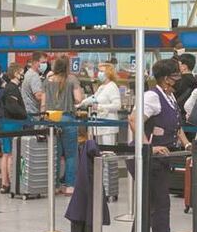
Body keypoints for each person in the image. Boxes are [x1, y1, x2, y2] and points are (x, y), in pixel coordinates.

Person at [126, 58, 191, 232]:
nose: (179, 79)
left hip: (160, 160)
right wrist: (148, 147)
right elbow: (134, 120)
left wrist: (187, 143)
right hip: (148, 160)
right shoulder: (152, 96)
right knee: (160, 206)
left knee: (148, 205)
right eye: (176, 76)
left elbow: (177, 126)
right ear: (165, 78)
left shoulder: (169, 97)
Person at [42, 56, 84, 193]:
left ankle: (54, 185)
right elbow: (78, 99)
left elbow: (42, 103)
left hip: (51, 118)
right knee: (71, 154)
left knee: (55, 153)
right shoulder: (71, 79)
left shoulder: (47, 81)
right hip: (67, 117)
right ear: (67, 67)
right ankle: (70, 185)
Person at [0, 63, 28, 193]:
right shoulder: (12, 88)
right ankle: (11, 181)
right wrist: (25, 114)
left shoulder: (8, 88)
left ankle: (5, 183)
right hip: (13, 123)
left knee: (6, 153)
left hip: (6, 123)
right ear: (16, 74)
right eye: (22, 72)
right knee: (11, 153)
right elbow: (13, 107)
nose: (23, 75)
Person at [80, 62, 122, 147]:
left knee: (108, 152)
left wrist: (100, 107)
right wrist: (82, 103)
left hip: (108, 127)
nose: (100, 73)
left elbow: (117, 105)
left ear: (108, 73)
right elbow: (94, 98)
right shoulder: (102, 87)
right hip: (99, 125)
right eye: (99, 71)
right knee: (100, 152)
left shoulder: (112, 87)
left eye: (102, 71)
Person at [173, 54, 197, 119]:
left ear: (184, 67)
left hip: (178, 115)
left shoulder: (177, 81)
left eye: (179, 64)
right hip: (191, 116)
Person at [21, 52, 46, 117]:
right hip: (33, 113)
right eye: (43, 62)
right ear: (35, 62)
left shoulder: (28, 73)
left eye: (45, 63)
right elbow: (38, 96)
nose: (45, 65)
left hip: (28, 111)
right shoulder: (34, 76)